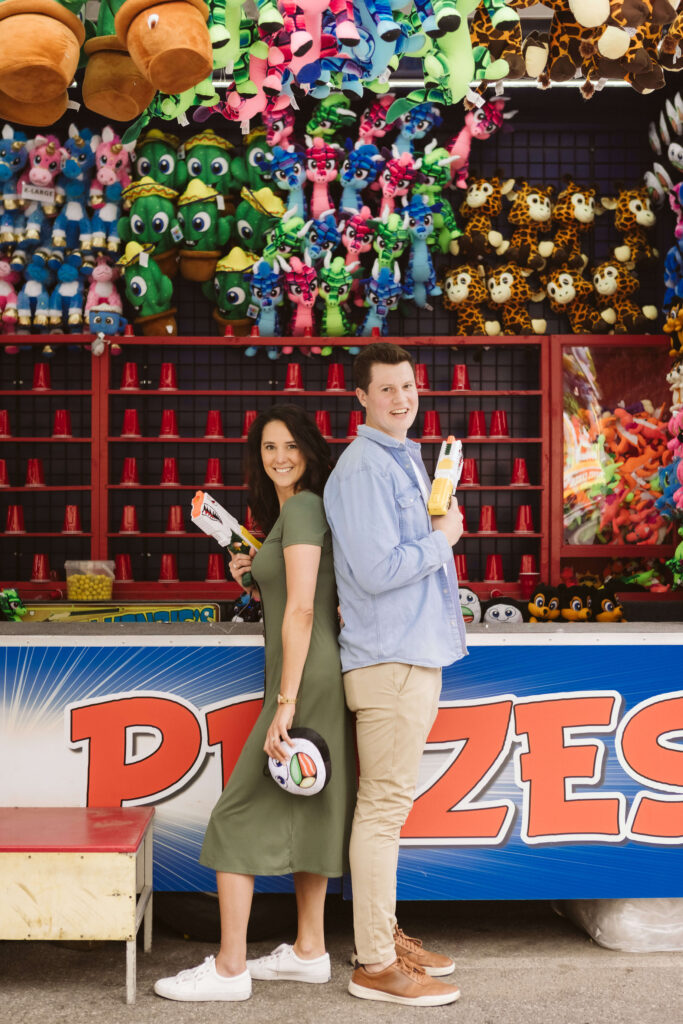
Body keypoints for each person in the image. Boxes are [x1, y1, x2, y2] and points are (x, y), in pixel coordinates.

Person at [155, 404, 356, 1002]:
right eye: (269, 447)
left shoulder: (302, 506)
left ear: (312, 451)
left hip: (304, 676)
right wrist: (253, 574)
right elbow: (302, 591)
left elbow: (300, 609)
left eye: (291, 445)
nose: (280, 457)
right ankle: (310, 950)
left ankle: (229, 968)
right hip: (313, 669)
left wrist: (286, 701)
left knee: (236, 814)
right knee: (310, 803)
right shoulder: (298, 512)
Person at [323, 343, 467, 1007]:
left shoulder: (397, 461)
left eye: (407, 386)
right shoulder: (360, 469)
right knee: (381, 814)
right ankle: (375, 964)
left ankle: (380, 939)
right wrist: (443, 540)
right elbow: (378, 572)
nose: (401, 398)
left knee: (385, 812)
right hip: (390, 661)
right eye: (386, 389)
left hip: (409, 654)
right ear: (360, 397)